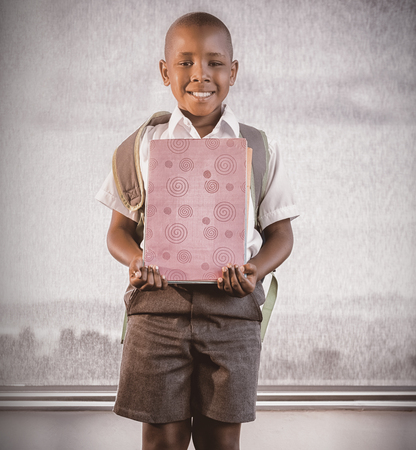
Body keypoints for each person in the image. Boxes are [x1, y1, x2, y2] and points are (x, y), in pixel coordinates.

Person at [96, 11, 299, 450]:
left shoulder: (260, 147)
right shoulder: (141, 146)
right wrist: (137, 261)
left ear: (234, 71)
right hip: (157, 310)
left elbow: (281, 235)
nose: (200, 74)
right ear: (164, 71)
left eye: (214, 62)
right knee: (161, 442)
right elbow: (118, 231)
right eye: (185, 62)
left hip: (232, 309)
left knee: (221, 443)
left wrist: (254, 269)